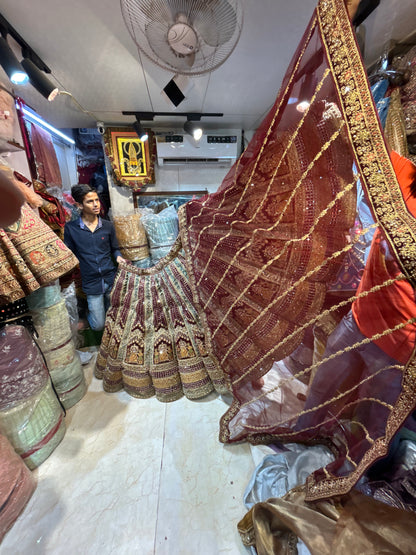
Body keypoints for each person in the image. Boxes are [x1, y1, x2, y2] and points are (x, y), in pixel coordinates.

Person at [64, 184, 125, 330]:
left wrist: (119, 258)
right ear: (79, 205)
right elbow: (69, 254)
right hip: (91, 282)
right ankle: (88, 314)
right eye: (90, 201)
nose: (96, 204)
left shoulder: (108, 226)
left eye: (96, 200)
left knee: (114, 321)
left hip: (111, 278)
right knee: (98, 325)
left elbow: (115, 249)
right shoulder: (71, 229)